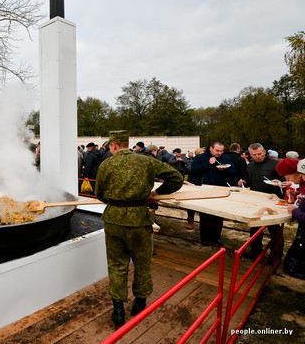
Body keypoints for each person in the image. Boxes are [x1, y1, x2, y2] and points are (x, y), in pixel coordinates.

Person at [94, 130, 183, 329]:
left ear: (113, 145)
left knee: (117, 264)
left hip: (114, 220)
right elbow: (176, 178)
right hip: (139, 220)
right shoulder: (146, 161)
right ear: (127, 143)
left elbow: (98, 193)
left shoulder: (106, 164)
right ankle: (139, 305)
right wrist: (156, 193)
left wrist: (114, 201)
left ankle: (118, 311)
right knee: (142, 262)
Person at [238, 143, 286, 258]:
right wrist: (243, 182)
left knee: (274, 229)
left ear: (264, 152)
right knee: (255, 227)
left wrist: (279, 182)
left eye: (259, 154)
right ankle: (255, 251)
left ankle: (276, 256)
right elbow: (248, 181)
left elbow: (285, 180)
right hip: (256, 200)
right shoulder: (250, 165)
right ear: (250, 154)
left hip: (272, 200)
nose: (257, 156)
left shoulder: (276, 164)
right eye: (254, 155)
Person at [189, 142, 236, 246]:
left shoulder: (226, 158)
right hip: (204, 188)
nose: (219, 153)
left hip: (220, 189)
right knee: (205, 214)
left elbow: (233, 172)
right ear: (211, 148)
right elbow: (193, 170)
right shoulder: (201, 157)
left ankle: (216, 238)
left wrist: (225, 169)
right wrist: (208, 163)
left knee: (218, 215)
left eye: (221, 151)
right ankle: (204, 239)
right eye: (217, 150)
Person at [185, 147, 205, 230]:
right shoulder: (191, 161)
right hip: (192, 185)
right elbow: (190, 169)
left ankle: (203, 223)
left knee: (203, 205)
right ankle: (190, 220)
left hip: (202, 185)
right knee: (191, 205)